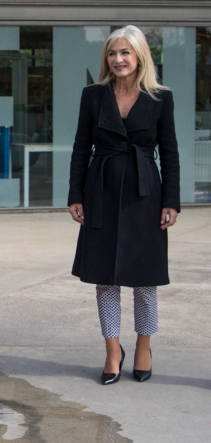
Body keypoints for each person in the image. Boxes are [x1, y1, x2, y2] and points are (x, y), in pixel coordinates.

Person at [68, 25, 180, 385]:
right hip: (100, 190)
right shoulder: (93, 95)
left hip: (145, 194)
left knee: (145, 280)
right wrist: (76, 195)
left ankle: (144, 346)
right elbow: (81, 148)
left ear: (139, 56)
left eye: (125, 53)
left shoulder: (161, 98)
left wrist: (171, 202)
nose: (118, 59)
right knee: (105, 279)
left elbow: (171, 154)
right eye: (112, 53)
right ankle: (113, 350)